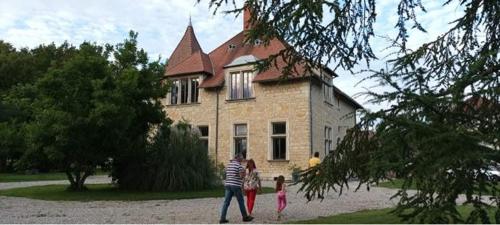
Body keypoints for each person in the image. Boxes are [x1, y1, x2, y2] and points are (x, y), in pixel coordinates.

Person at [219, 154, 254, 224]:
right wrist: (244, 172)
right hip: (235, 186)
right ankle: (245, 217)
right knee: (241, 201)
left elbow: (226, 175)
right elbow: (241, 176)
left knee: (226, 202)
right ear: (238, 158)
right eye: (241, 159)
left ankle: (222, 218)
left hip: (228, 184)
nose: (242, 160)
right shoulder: (239, 166)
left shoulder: (229, 165)